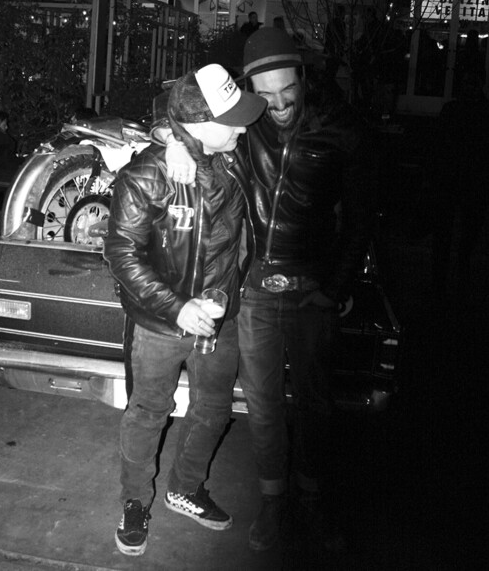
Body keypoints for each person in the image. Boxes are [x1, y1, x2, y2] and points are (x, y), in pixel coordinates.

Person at [156, 27, 374, 552]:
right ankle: (274, 502)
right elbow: (179, 109)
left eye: (287, 90)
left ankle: (311, 500)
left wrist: (335, 287)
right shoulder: (247, 121)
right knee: (264, 404)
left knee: (316, 404)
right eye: (266, 93)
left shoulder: (343, 129)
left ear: (303, 76)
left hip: (312, 288)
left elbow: (362, 219)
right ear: (250, 88)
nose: (278, 104)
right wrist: (175, 142)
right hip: (254, 288)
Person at [103, 64, 266, 557]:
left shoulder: (233, 158)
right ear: (197, 124)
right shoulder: (146, 177)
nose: (243, 129)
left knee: (213, 411)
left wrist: (173, 136)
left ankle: (185, 488)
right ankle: (135, 502)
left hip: (221, 318)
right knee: (148, 414)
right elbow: (122, 255)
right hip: (161, 323)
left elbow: (170, 109)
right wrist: (177, 308)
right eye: (231, 120)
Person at [429, 69, 489, 301]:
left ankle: (444, 279)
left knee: (450, 232)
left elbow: (439, 145)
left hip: (457, 178)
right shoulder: (486, 112)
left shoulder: (455, 110)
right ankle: (457, 276)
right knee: (462, 231)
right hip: (469, 179)